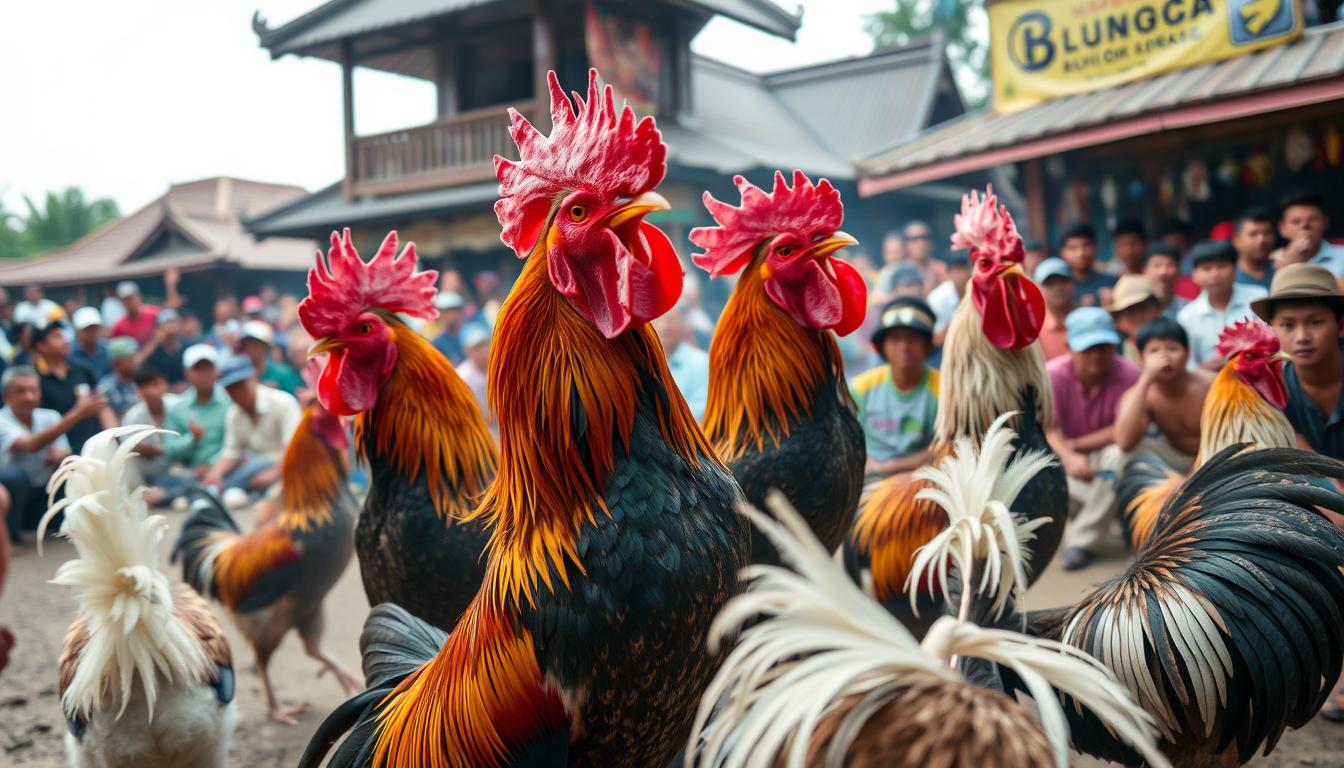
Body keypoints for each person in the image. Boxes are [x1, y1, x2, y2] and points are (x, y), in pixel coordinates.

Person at [1250, 262, 1344, 721]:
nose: (1302, 335)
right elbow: (1296, 456)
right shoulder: (1272, 384)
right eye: (1288, 324)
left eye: (1316, 321)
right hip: (1314, 494)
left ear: (1340, 324)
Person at [1047, 307, 1140, 570]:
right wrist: (1069, 457)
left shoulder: (1131, 374)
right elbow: (1049, 429)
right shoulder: (1052, 374)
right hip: (1062, 461)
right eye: (1088, 348)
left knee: (1121, 456)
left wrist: (1076, 448)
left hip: (1108, 458)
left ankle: (1081, 541)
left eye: (1104, 346)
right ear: (1069, 347)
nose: (1097, 355)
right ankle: (1117, 512)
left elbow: (1124, 431)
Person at [0, 366, 101, 543]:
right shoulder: (2, 420)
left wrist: (60, 455)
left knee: (73, 465)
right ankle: (9, 537)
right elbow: (30, 445)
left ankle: (64, 524)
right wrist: (77, 413)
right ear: (7, 397)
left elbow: (64, 450)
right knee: (13, 477)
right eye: (21, 391)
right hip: (13, 501)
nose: (29, 396)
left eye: (33, 390)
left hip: (44, 493)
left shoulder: (50, 416)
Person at [851, 298, 939, 482]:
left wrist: (889, 467)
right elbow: (846, 439)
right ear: (882, 346)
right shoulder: (860, 388)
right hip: (866, 478)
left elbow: (946, 449)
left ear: (927, 346)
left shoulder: (944, 391)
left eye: (913, 338)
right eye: (895, 338)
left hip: (920, 482)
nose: (904, 347)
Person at [1112, 317, 1209, 474]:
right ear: (1141, 358)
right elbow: (1124, 442)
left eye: (1172, 348)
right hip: (1175, 459)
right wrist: (1145, 379)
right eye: (1154, 351)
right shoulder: (1142, 393)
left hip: (1218, 457)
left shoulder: (1209, 383)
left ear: (1187, 353)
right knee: (1125, 454)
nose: (1164, 356)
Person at [203, 355, 302, 502]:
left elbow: (295, 450)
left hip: (287, 468)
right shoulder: (234, 413)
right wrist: (215, 474)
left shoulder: (283, 402)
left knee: (252, 470)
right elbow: (232, 452)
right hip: (255, 472)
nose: (237, 392)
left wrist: (274, 473)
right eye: (231, 388)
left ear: (253, 377)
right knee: (223, 480)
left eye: (240, 384)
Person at [1177, 240, 1267, 371]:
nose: (1215, 274)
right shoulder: (1187, 316)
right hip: (1209, 385)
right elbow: (1186, 365)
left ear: (1235, 269)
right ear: (1194, 275)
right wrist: (1203, 368)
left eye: (1221, 266)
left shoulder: (1258, 298)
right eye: (1206, 268)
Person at [32, 319, 113, 453]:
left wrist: (112, 436)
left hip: (96, 445)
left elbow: (102, 405)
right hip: (64, 454)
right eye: (57, 336)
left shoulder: (82, 369)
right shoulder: (35, 381)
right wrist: (79, 412)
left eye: (63, 335)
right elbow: (38, 427)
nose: (65, 340)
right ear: (41, 346)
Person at [121, 366, 191, 507]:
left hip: (185, 466)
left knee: (191, 480)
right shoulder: (133, 417)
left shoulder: (178, 405)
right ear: (139, 391)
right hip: (155, 474)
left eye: (156, 385)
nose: (152, 391)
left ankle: (166, 495)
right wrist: (157, 450)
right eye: (146, 387)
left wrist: (161, 449)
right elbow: (129, 447)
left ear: (164, 384)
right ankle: (166, 495)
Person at [164, 344, 230, 477]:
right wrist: (192, 438)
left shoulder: (229, 401)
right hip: (189, 473)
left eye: (208, 368)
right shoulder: (179, 408)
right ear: (187, 374)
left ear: (216, 370)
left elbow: (236, 444)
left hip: (226, 469)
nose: (204, 374)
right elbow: (170, 450)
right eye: (198, 369)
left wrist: (212, 464)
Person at [653, 305, 710, 421]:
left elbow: (700, 408)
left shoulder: (701, 362)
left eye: (670, 320)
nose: (664, 327)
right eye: (658, 320)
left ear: (683, 326)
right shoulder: (644, 363)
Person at [1275, 189, 1344, 276]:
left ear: (1325, 222)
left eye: (1312, 220)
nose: (1305, 225)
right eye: (1296, 222)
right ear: (1282, 228)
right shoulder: (1269, 263)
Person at [1106, 275, 1163, 362]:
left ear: (1158, 309)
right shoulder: (1112, 350)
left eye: (1142, 307)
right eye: (1130, 311)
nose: (1138, 316)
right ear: (1118, 320)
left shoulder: (1174, 343)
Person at [1058, 223, 1116, 308]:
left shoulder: (1110, 282)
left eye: (1085, 246)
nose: (1081, 253)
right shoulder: (1058, 287)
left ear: (1095, 247)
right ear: (1062, 252)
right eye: (1073, 248)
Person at [239, 320, 302, 395]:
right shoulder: (240, 377)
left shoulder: (283, 374)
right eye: (248, 344)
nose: (252, 349)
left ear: (266, 347)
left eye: (256, 345)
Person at [1034, 257, 1075, 361]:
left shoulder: (1089, 319)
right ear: (1038, 289)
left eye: (1063, 281)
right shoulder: (1033, 329)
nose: (1057, 288)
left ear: (1073, 284)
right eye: (1049, 284)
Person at [928, 248, 970, 347]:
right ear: (949, 272)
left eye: (967, 268)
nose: (965, 274)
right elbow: (936, 339)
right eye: (959, 269)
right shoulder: (937, 299)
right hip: (944, 348)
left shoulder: (981, 292)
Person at [95, 336, 141, 418]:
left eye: (135, 356)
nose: (135, 360)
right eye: (129, 358)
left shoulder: (144, 380)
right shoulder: (105, 388)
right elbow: (110, 424)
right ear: (116, 363)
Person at [455, 325, 492, 423]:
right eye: (476, 347)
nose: (483, 350)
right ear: (466, 351)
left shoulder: (501, 366)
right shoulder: (462, 376)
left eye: (484, 344)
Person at [1232, 206, 1276, 289]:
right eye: (1253, 234)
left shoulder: (1282, 270)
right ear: (1236, 240)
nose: (1261, 240)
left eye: (1267, 233)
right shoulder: (1228, 279)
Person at [141, 308, 186, 388]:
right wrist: (155, 340)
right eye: (168, 322)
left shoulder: (187, 346)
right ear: (159, 328)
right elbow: (139, 366)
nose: (172, 325)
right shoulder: (154, 351)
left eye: (174, 322)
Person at [1142, 243, 1188, 320]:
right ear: (1144, 271)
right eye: (1157, 265)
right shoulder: (1136, 310)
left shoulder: (1188, 310)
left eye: (1170, 265)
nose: (1163, 272)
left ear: (1179, 271)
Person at [69, 306, 110, 380]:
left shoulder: (109, 350)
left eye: (95, 328)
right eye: (87, 329)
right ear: (77, 331)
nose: (92, 333)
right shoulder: (69, 354)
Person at [431, 291, 468, 364]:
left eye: (451, 310)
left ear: (460, 311)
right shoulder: (438, 343)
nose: (446, 315)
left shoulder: (472, 332)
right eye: (443, 311)